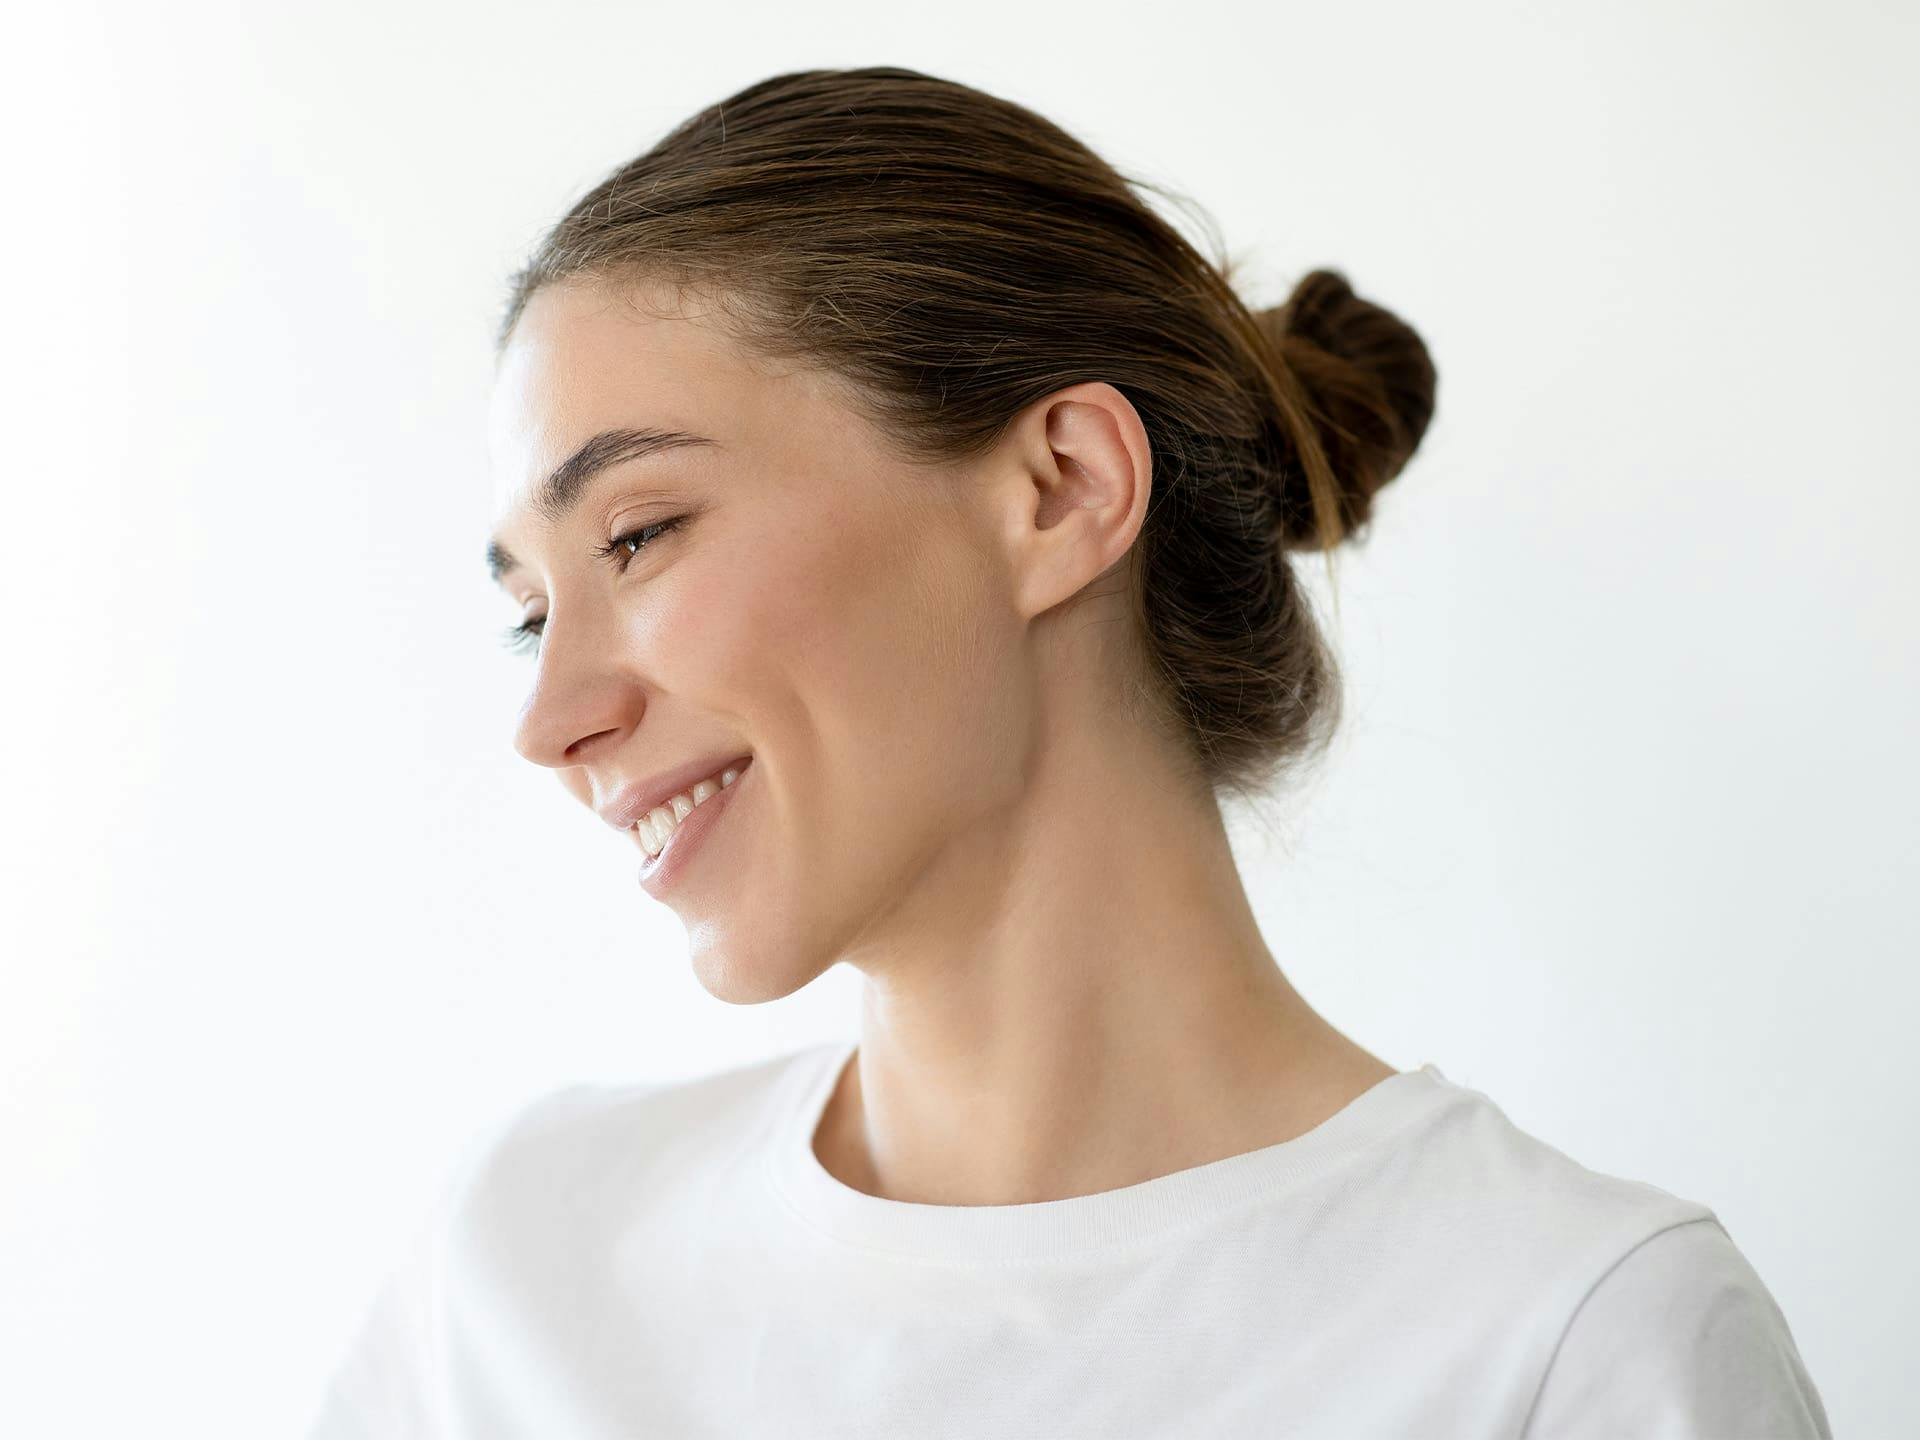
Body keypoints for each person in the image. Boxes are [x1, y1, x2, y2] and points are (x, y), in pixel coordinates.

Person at [306, 66, 1831, 1438]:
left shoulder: (1570, 1343)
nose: (549, 716)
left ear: (1060, 488)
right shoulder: (516, 1283)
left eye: (638, 535)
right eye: (529, 612)